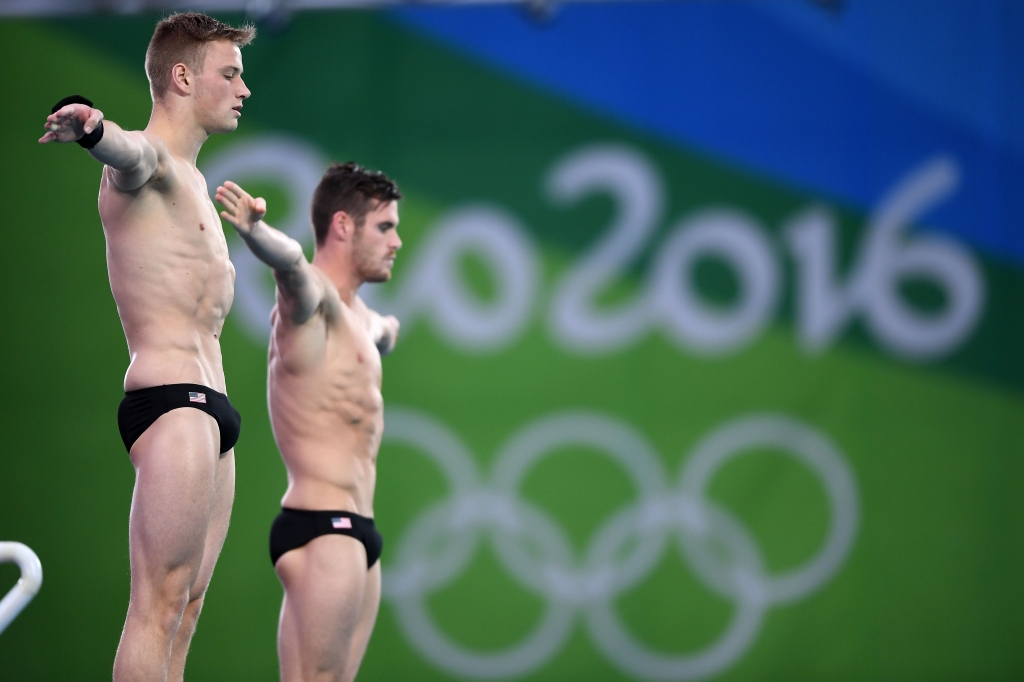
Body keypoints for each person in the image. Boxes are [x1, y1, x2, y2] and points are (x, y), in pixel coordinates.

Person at [38, 12, 254, 682]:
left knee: (185, 613)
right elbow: (129, 155)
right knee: (156, 607)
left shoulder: (192, 179)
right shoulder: (149, 161)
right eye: (231, 73)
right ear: (183, 77)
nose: (244, 89)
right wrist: (95, 131)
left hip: (211, 408)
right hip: (171, 403)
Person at [215, 162, 402, 682]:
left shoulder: (362, 320)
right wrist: (254, 232)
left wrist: (389, 330)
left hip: (358, 529)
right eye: (385, 227)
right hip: (323, 527)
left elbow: (380, 332)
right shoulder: (311, 301)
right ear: (343, 225)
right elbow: (292, 266)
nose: (397, 242)